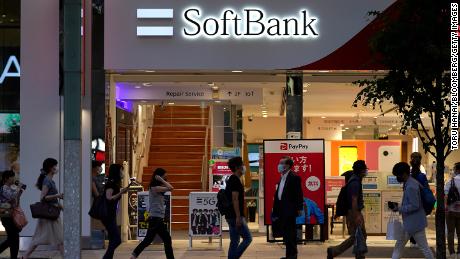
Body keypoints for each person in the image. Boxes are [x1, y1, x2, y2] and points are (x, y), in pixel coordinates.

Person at [390, 162, 434, 259]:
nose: (397, 177)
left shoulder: (411, 186)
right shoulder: (410, 183)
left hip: (414, 223)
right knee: (399, 246)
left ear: (404, 173)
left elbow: (415, 205)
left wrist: (399, 208)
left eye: (398, 175)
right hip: (411, 222)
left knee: (424, 248)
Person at [23, 158, 64, 259]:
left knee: (56, 239)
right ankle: (25, 256)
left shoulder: (50, 181)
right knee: (59, 239)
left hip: (52, 213)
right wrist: (58, 196)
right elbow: (42, 197)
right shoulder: (47, 181)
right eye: (55, 165)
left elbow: (51, 198)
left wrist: (61, 206)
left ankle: (25, 256)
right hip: (49, 215)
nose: (56, 167)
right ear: (50, 168)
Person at [327, 160, 368, 259]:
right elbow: (353, 200)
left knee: (360, 234)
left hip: (353, 211)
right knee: (356, 235)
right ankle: (333, 251)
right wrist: (356, 215)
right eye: (365, 169)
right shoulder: (355, 183)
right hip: (353, 212)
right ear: (361, 171)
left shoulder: (354, 180)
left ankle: (359, 255)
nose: (366, 172)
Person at [130, 168, 174, 259]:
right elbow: (170, 188)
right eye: (164, 176)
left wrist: (161, 179)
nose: (165, 178)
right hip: (155, 218)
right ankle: (133, 255)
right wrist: (160, 179)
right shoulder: (154, 188)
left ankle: (133, 255)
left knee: (148, 240)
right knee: (164, 239)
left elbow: (170, 187)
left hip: (156, 218)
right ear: (158, 177)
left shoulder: (158, 188)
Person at [272, 156, 303, 259]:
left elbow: (299, 194)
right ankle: (288, 255)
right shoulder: (282, 177)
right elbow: (279, 194)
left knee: (291, 235)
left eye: (281, 163)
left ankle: (292, 256)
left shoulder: (294, 177)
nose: (279, 165)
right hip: (282, 210)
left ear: (287, 165)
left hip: (289, 210)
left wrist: (299, 208)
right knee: (286, 234)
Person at [225, 156, 252, 259]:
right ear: (237, 167)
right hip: (235, 216)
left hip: (230, 215)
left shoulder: (233, 179)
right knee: (248, 238)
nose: (244, 167)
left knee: (235, 240)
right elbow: (235, 199)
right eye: (242, 165)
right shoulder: (235, 180)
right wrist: (238, 217)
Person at [102, 164, 131, 259]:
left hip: (111, 214)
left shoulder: (115, 183)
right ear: (117, 172)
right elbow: (108, 198)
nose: (123, 173)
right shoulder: (111, 183)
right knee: (117, 239)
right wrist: (121, 192)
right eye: (121, 170)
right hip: (108, 215)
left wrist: (122, 190)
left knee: (112, 239)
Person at [0, 170, 24, 259]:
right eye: (12, 177)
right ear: (6, 178)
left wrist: (20, 192)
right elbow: (11, 197)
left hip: (12, 216)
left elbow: (15, 201)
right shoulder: (4, 188)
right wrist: (18, 189)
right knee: (12, 238)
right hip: (6, 216)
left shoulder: (11, 188)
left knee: (15, 237)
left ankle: (14, 257)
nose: (14, 179)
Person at [444, 162, 460, 258]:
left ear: (457, 170)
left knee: (450, 232)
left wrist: (446, 208)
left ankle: (451, 253)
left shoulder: (451, 181)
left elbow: (446, 195)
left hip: (451, 210)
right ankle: (459, 253)